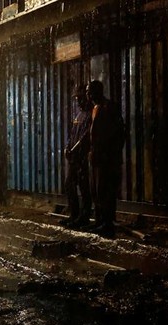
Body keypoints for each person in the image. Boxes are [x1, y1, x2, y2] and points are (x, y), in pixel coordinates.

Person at [86, 80, 125, 237]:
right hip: (97, 158)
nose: (88, 95)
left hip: (106, 159)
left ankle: (107, 224)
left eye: (90, 91)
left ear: (97, 92)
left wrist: (109, 154)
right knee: (96, 191)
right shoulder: (95, 108)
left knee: (105, 192)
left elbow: (119, 133)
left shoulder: (109, 107)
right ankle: (99, 222)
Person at [61, 83, 93, 229]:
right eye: (77, 99)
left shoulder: (91, 114)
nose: (78, 101)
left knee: (84, 187)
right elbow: (73, 134)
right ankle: (74, 215)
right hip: (73, 157)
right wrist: (67, 148)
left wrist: (74, 150)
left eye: (80, 98)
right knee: (69, 184)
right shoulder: (79, 114)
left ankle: (84, 217)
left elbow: (86, 137)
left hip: (82, 158)